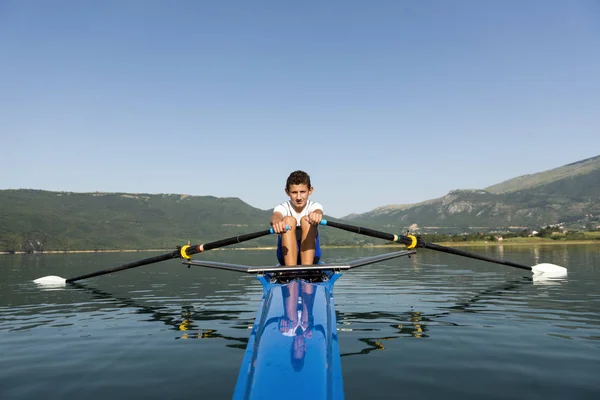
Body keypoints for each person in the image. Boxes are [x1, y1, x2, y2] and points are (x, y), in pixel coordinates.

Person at [270, 170, 323, 266]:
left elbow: (318, 211)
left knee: (306, 220)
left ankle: (307, 268)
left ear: (310, 190)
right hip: (284, 258)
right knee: (288, 220)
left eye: (302, 192)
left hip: (313, 257)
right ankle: (290, 270)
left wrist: (316, 215)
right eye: (294, 192)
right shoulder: (282, 207)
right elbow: (276, 216)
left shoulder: (314, 206)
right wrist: (277, 222)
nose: (299, 197)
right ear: (287, 192)